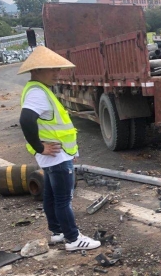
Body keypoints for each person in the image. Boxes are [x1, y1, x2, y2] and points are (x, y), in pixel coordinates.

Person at [18, 46, 101, 252]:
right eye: (52, 69)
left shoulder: (38, 89)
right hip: (55, 156)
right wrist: (39, 147)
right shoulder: (37, 93)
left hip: (55, 155)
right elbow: (26, 119)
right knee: (64, 199)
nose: (57, 73)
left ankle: (57, 232)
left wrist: (64, 152)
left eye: (58, 69)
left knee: (51, 195)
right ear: (37, 70)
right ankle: (73, 239)